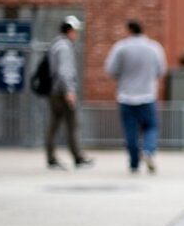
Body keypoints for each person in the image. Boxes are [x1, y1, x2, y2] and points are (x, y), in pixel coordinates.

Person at [105, 20, 166, 173]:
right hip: (147, 96)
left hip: (126, 96)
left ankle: (134, 163)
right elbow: (161, 70)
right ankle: (148, 151)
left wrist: (125, 76)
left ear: (129, 30)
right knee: (151, 127)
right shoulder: (154, 48)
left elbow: (111, 69)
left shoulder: (121, 48)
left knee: (130, 132)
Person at [46, 16, 94, 170]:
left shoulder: (56, 44)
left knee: (54, 124)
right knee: (72, 124)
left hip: (55, 92)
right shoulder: (64, 47)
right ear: (69, 30)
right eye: (75, 31)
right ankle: (77, 156)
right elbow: (65, 71)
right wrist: (70, 91)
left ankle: (51, 156)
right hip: (62, 92)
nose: (77, 35)